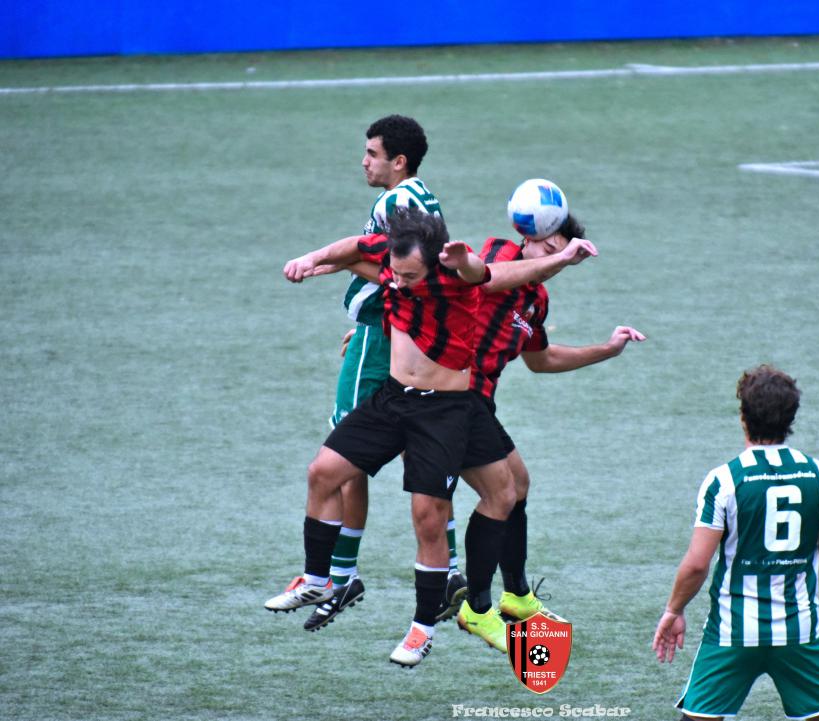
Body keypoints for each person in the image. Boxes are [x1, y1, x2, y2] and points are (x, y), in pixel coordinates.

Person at [268, 209, 600, 666]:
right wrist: (314, 260)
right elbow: (358, 251)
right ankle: (320, 580)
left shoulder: (463, 279)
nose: (400, 283)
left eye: (409, 276)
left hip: (448, 409)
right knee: (323, 472)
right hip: (396, 399)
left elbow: (488, 277)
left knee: (451, 509)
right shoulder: (409, 263)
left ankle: (435, 624)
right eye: (396, 274)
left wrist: (562, 265)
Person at [279, 114, 467, 632]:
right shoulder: (424, 197)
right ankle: (449, 570)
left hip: (382, 338)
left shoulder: (395, 203)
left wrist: (324, 261)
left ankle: (338, 576)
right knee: (419, 454)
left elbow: (394, 271)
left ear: (398, 161)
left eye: (372, 154)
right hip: (399, 333)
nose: (363, 162)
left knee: (343, 455)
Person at [462, 214, 646, 623]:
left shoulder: (537, 300)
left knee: (518, 485)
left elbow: (540, 360)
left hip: (480, 401)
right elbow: (485, 281)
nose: (552, 261)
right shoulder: (500, 253)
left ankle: (516, 595)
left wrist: (607, 350)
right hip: (452, 394)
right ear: (528, 238)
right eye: (548, 249)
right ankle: (476, 606)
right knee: (499, 495)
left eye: (560, 255)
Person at [653, 366, 819, 721]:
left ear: (743, 416)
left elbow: (697, 565)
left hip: (732, 633)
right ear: (791, 417)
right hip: (799, 632)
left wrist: (673, 610)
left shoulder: (724, 480)